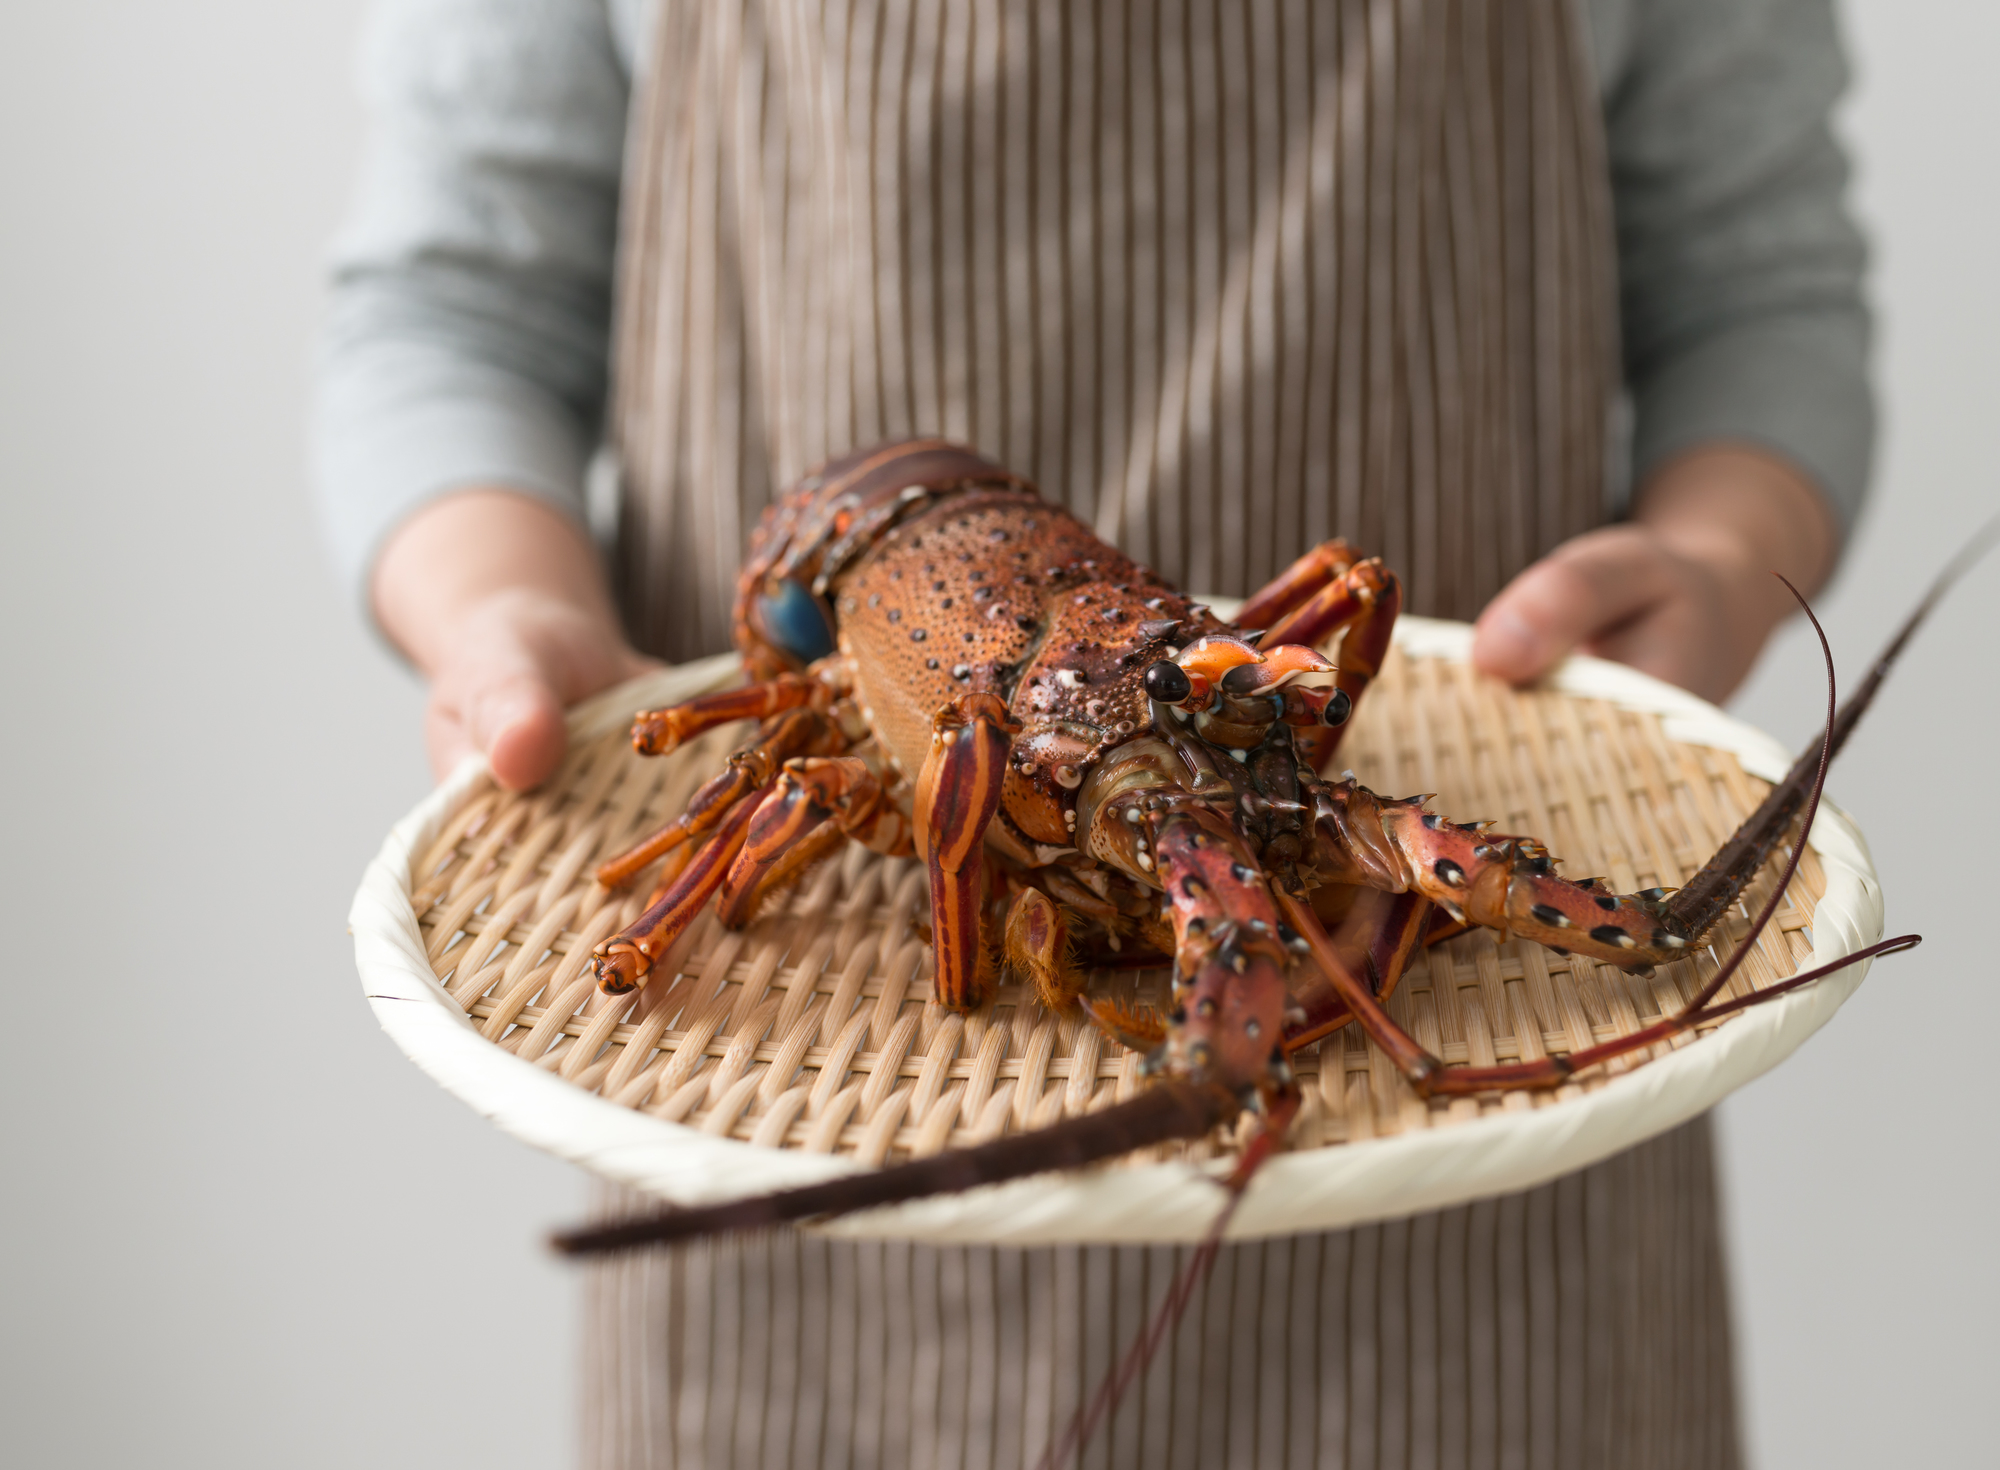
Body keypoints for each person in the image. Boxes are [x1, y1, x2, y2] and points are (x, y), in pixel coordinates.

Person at [316, 1, 1869, 1464]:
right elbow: (456, 296)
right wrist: (494, 603)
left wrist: (1727, 556)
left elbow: (1758, 279)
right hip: (820, 1239)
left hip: (1505, 1271)